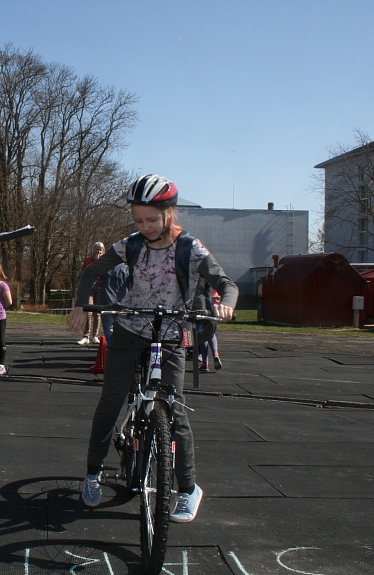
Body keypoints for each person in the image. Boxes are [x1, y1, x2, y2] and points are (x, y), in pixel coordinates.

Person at [67, 174, 238, 523]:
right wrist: (80, 304)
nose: (145, 226)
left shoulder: (190, 248)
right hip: (131, 332)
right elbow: (90, 273)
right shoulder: (130, 245)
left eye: (152, 219)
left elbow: (226, 283)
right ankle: (93, 471)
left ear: (169, 214)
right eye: (138, 219)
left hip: (172, 336)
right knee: (111, 402)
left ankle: (188, 488)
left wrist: (226, 304)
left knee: (174, 411)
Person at [77, 242, 105, 345]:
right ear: (93, 250)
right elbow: (91, 271)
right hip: (90, 289)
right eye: (96, 249)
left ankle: (95, 335)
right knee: (88, 312)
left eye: (100, 250)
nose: (98, 252)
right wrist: (97, 261)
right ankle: (85, 336)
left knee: (97, 313)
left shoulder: (105, 261)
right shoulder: (88, 261)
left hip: (100, 288)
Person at [97, 263, 129, 340]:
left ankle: (111, 347)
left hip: (107, 303)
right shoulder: (127, 270)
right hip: (122, 303)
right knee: (123, 330)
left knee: (109, 329)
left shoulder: (104, 268)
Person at [199, 289, 223, 372]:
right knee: (211, 332)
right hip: (214, 307)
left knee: (202, 334)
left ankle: (205, 363)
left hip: (203, 305)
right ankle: (215, 353)